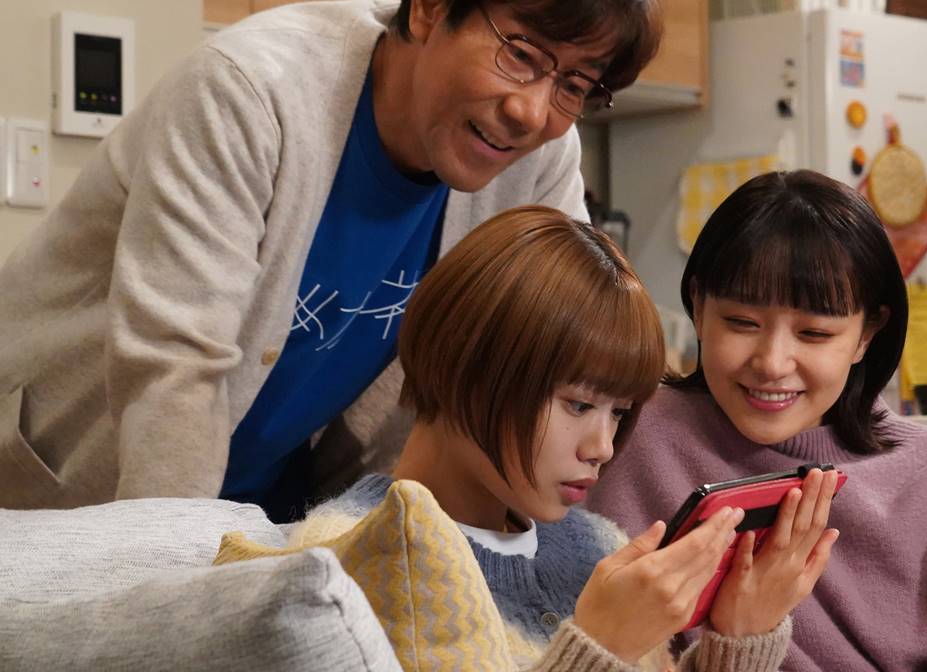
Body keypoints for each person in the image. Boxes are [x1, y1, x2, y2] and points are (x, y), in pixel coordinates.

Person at [0, 0, 661, 515]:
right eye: (520, 54)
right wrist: (179, 579)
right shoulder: (248, 93)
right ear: (430, 4)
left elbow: (570, 348)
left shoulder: (541, 158)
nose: (532, 111)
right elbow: (174, 373)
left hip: (265, 504)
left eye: (575, 85)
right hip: (75, 482)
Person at [295, 204, 841, 670]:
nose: (602, 448)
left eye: (619, 412)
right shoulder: (345, 558)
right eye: (578, 405)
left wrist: (740, 636)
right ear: (469, 367)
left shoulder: (597, 543)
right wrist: (599, 648)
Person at [588, 170, 927, 671]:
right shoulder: (622, 433)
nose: (772, 363)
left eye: (814, 333)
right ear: (699, 306)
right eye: (742, 323)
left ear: (867, 334)